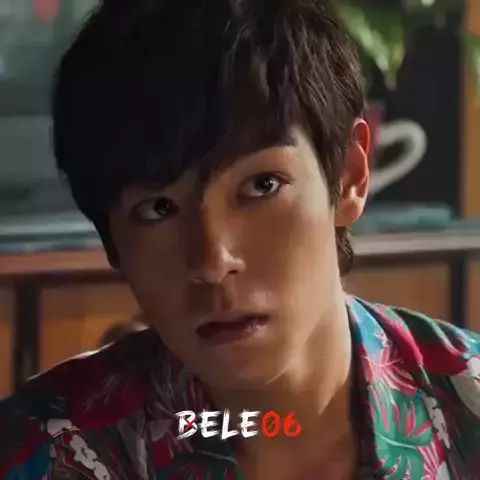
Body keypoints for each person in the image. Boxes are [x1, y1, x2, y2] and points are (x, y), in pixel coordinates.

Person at [1, 1, 479, 478]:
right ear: (112, 242)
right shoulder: (46, 453)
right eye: (158, 209)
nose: (213, 261)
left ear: (350, 176)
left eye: (262, 185)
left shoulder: (468, 405)